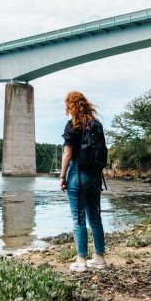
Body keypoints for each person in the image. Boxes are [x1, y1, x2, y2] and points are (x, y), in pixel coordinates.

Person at [59, 90, 106, 272]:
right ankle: (99, 258)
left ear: (70, 106)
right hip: (95, 175)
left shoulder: (72, 125)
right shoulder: (96, 124)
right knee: (95, 217)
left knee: (78, 219)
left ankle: (81, 261)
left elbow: (68, 154)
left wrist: (62, 176)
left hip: (78, 174)